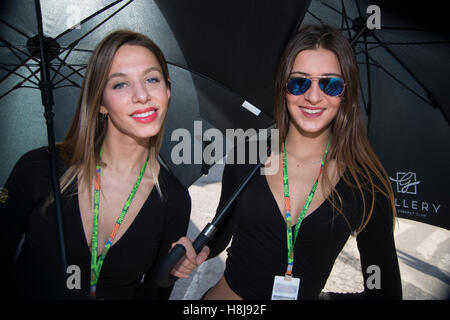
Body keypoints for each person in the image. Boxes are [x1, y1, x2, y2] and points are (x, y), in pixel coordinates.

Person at [172, 24, 402, 300]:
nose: (313, 96)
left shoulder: (366, 184)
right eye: (299, 81)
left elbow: (384, 292)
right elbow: (222, 231)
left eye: (330, 83)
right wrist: (197, 250)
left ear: (346, 93)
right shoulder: (248, 154)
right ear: (283, 86)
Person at [0, 30, 192, 300]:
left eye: (152, 79)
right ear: (100, 102)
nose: (142, 95)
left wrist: (169, 274)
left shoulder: (175, 200)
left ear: (168, 89)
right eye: (120, 84)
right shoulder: (39, 168)